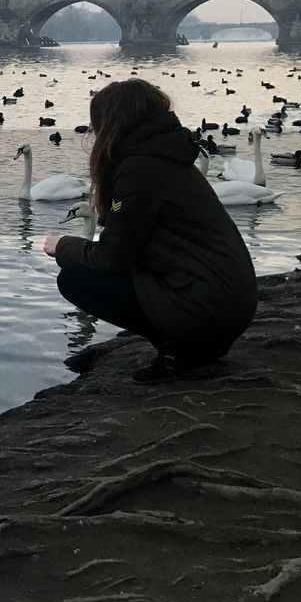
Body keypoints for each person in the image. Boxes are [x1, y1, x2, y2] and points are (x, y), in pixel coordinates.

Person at [43, 79, 257, 383]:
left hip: (208, 306)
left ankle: (179, 351)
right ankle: (192, 345)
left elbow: (111, 258)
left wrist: (62, 246)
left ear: (112, 123)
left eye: (96, 125)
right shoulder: (168, 157)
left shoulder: (139, 169)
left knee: (75, 276)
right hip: (229, 300)